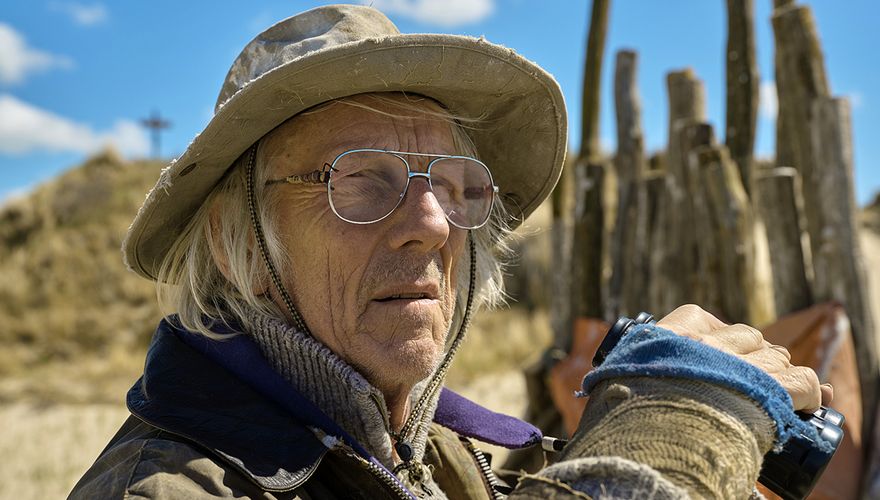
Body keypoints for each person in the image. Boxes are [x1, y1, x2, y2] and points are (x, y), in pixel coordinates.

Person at [70, 5, 831, 499]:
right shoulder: (166, 490)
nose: (433, 224)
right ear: (236, 250)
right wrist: (678, 426)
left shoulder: (430, 457)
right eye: (362, 180)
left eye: (459, 183)